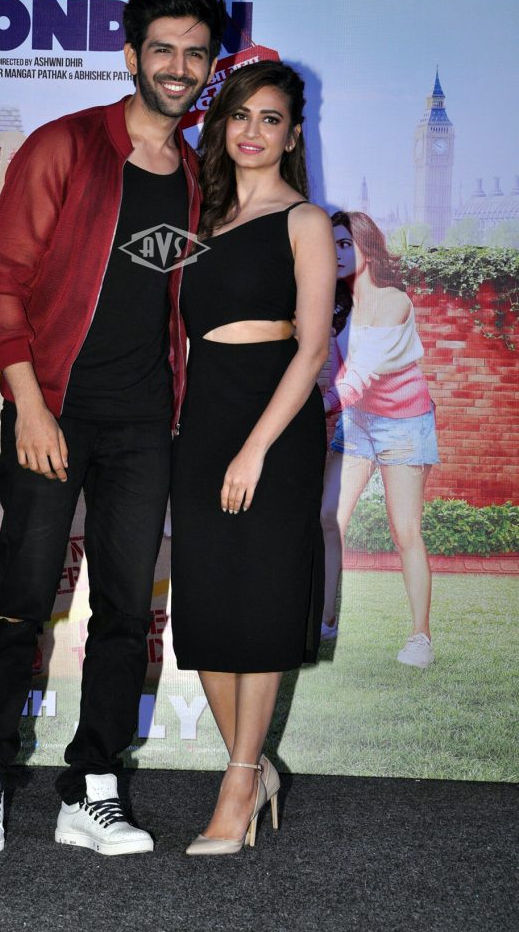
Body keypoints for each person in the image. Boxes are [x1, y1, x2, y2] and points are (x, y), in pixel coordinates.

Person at [0, 0, 223, 855]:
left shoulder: (197, 177)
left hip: (144, 427)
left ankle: (93, 788)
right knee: (23, 597)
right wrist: (30, 405)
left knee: (124, 613)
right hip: (54, 410)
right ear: (132, 56)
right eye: (163, 49)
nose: (178, 67)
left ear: (209, 67)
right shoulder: (66, 146)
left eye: (195, 53)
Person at [170, 61, 336, 855]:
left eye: (271, 119)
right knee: (206, 604)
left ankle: (237, 783)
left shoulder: (306, 221)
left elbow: (312, 349)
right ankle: (257, 767)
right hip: (202, 420)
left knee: (263, 600)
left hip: (276, 422)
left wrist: (256, 448)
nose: (253, 131)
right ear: (221, 125)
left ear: (293, 135)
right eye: (240, 115)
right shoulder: (195, 223)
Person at [319, 211, 439, 668]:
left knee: (405, 530)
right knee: (328, 517)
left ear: (367, 247)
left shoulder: (393, 302)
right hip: (358, 421)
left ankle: (420, 637)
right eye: (331, 245)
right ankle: (326, 619)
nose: (337, 254)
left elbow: (361, 376)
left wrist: (314, 407)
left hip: (403, 423)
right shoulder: (338, 307)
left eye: (345, 244)